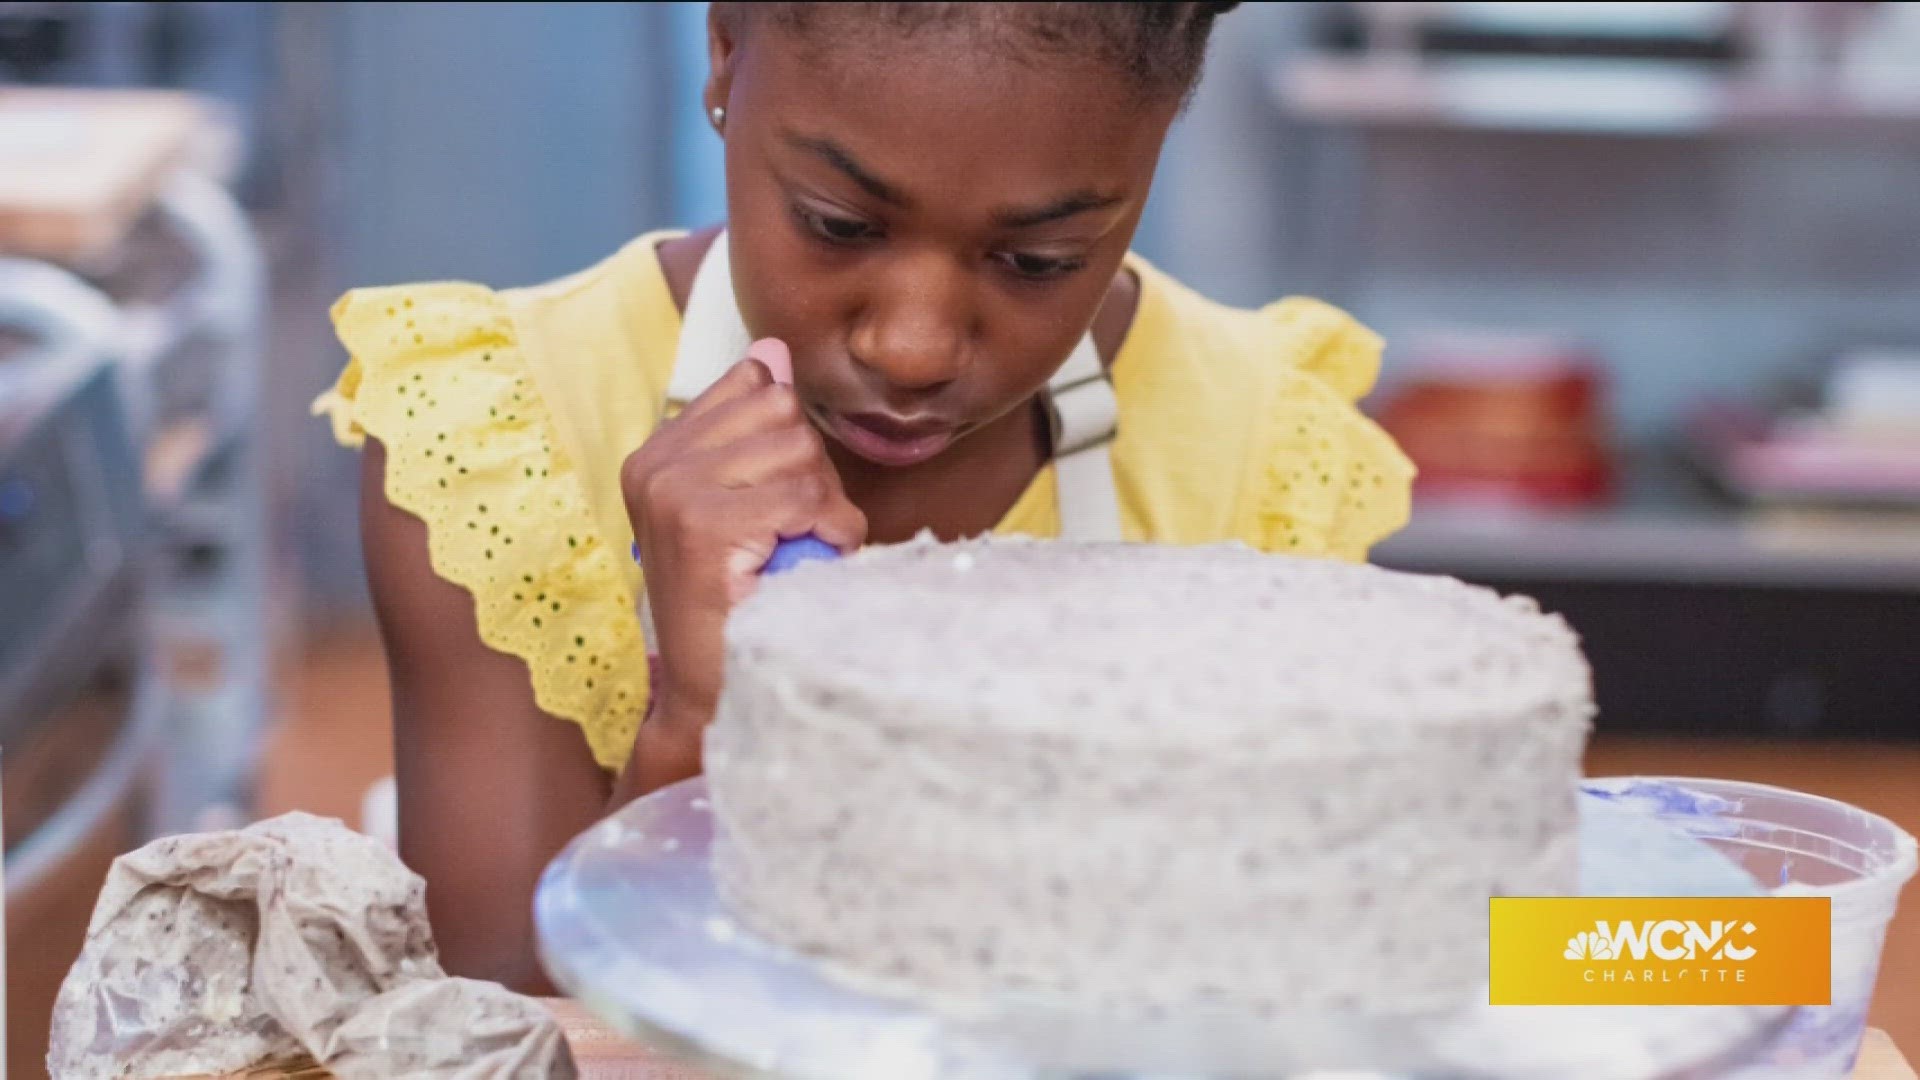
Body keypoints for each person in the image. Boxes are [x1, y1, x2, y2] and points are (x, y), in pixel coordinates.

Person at [315, 1, 1415, 995]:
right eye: (840, 225)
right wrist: (697, 726)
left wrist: (1582, 960)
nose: (915, 347)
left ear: (1161, 131)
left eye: (1038, 259)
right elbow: (489, 1008)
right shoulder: (505, 434)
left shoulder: (1262, 444)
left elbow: (1334, 949)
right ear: (725, 48)